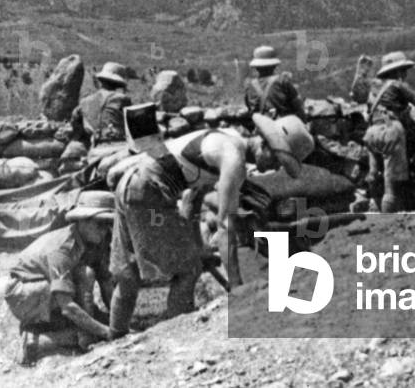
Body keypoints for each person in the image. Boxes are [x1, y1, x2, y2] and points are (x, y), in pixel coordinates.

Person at [107, 103, 313, 338]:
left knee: (128, 273)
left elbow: (192, 199)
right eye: (277, 160)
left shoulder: (227, 140)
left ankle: (116, 337)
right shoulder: (233, 161)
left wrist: (196, 243)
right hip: (149, 196)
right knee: (188, 269)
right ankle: (176, 335)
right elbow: (226, 226)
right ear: (265, 145)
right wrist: (236, 286)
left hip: (129, 185)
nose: (275, 168)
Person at [5, 190, 116, 366]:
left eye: (108, 224)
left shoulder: (97, 239)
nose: (105, 230)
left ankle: (81, 333)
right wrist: (105, 332)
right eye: (99, 224)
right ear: (82, 222)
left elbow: (105, 281)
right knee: (86, 331)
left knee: (86, 274)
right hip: (26, 292)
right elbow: (67, 307)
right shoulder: (62, 248)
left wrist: (117, 320)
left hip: (53, 286)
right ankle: (35, 342)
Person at [359, 51, 415, 213]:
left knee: (374, 174)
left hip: (372, 133)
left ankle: (374, 209)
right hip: (390, 132)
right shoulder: (397, 85)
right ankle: (388, 221)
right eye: (403, 70)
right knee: (391, 183)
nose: (405, 74)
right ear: (397, 71)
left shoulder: (374, 89)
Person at [69, 61, 132, 166]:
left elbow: (75, 126)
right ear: (118, 84)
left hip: (96, 151)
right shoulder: (122, 99)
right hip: (120, 149)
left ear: (101, 81)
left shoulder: (84, 102)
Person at [244, 45, 306, 120]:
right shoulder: (282, 81)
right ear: (274, 66)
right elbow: (297, 105)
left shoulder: (250, 85)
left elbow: (250, 108)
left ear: (256, 67)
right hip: (283, 124)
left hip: (261, 126)